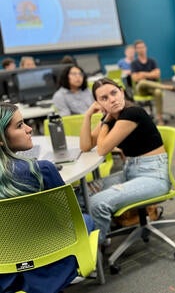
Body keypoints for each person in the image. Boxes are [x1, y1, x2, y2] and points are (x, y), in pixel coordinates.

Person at [0, 102, 94, 293]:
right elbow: (68, 220)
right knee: (86, 219)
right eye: (19, 126)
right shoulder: (41, 170)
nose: (29, 129)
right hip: (48, 264)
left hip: (5, 273)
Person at [80, 78, 171, 244]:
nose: (112, 99)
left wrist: (105, 120)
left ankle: (95, 252)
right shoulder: (114, 117)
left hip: (153, 176)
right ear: (98, 103)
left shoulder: (131, 113)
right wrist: (87, 115)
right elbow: (86, 145)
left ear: (122, 92)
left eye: (114, 93)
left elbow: (102, 149)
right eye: (104, 98)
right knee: (80, 194)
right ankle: (89, 234)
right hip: (131, 172)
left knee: (96, 203)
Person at [130, 39, 175, 125]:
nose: (141, 49)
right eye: (139, 48)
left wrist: (142, 74)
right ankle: (167, 87)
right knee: (142, 82)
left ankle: (160, 119)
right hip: (141, 89)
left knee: (158, 92)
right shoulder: (134, 63)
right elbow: (135, 79)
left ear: (146, 48)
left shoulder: (152, 61)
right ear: (136, 50)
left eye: (143, 47)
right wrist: (150, 74)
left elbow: (157, 74)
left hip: (153, 88)